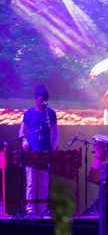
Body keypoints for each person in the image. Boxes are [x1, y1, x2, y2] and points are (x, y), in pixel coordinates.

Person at [19, 85, 59, 216]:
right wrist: (24, 142)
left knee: (44, 184)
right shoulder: (28, 113)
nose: (43, 103)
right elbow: (22, 131)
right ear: (36, 99)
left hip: (45, 153)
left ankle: (42, 209)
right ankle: (31, 210)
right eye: (41, 100)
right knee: (31, 183)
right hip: (32, 153)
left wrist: (55, 144)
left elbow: (55, 131)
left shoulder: (51, 113)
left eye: (45, 100)